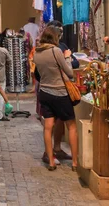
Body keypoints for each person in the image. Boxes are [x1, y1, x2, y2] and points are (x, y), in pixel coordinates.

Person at [33, 27, 79, 171]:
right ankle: (75, 163)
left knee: (47, 127)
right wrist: (67, 56)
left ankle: (51, 161)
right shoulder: (56, 51)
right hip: (60, 92)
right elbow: (70, 73)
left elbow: (38, 74)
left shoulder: (36, 53)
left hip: (44, 92)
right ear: (55, 38)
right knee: (71, 126)